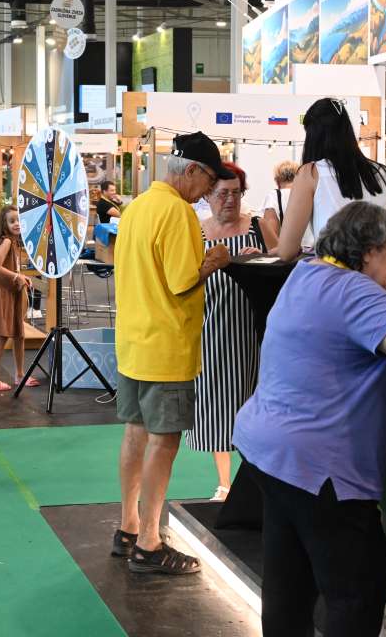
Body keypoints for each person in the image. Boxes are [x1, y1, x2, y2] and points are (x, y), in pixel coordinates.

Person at [234, 202, 386, 635]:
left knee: (289, 583)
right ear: (368, 252)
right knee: (357, 589)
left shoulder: (307, 273)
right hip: (319, 467)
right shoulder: (352, 290)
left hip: (270, 452)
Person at [112, 131, 233, 576]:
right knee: (163, 443)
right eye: (210, 181)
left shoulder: (137, 207)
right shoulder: (179, 212)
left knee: (135, 434)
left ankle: (128, 527)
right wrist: (214, 261)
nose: (210, 192)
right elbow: (183, 280)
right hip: (166, 348)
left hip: (133, 344)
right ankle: (149, 543)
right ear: (193, 170)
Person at [186, 162, 266, 501]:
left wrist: (263, 258)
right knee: (218, 405)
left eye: (236, 193)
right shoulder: (197, 232)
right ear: (208, 195)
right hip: (212, 330)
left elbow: (284, 264)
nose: (230, 200)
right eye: (223, 193)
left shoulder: (259, 227)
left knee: (255, 404)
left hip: (254, 332)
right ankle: (225, 483)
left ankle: (255, 482)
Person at [275, 98, 386, 261]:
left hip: (334, 273)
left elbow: (286, 251)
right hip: (378, 272)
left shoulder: (311, 173)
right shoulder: (381, 173)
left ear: (312, 136)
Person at [0, 205, 33, 392]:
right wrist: (17, 276)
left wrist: (21, 276)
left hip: (13, 292)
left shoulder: (14, 242)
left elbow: (11, 268)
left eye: (19, 220)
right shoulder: (6, 242)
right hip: (4, 294)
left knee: (19, 334)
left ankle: (20, 375)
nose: (17, 224)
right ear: (5, 225)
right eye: (12, 221)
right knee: (3, 336)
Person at [258, 160, 299, 250]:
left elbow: (272, 236)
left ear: (277, 180)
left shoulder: (274, 197)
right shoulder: (309, 194)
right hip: (314, 252)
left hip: (289, 253)